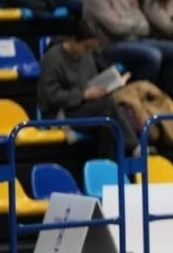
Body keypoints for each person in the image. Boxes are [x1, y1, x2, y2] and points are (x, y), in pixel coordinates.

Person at [38, 18, 140, 157]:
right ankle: (133, 146)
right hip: (60, 114)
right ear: (73, 40)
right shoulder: (52, 59)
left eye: (92, 48)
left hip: (86, 108)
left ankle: (109, 173)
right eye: (86, 47)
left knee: (107, 128)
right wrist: (84, 95)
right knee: (108, 104)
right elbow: (51, 96)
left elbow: (90, 82)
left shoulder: (87, 56)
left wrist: (102, 88)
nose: (89, 51)